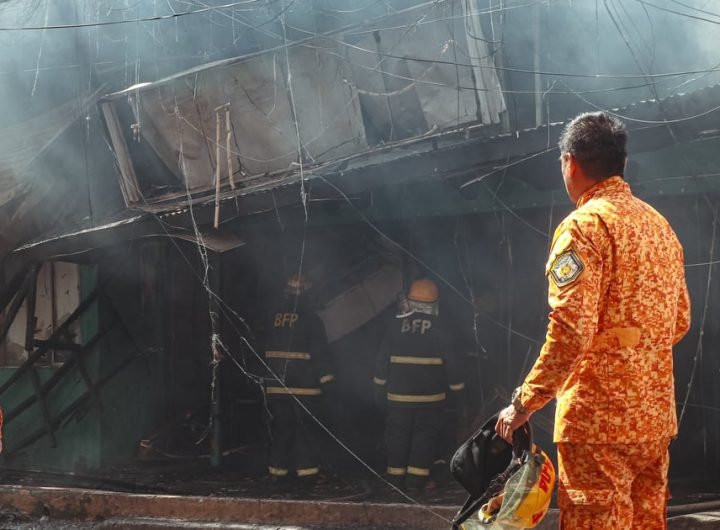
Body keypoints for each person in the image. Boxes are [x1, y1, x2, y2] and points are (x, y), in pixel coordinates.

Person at [495, 111, 691, 529]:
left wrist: (525, 402)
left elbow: (571, 329)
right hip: (654, 420)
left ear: (571, 162)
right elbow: (680, 322)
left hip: (598, 426)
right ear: (620, 162)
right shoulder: (660, 226)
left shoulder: (584, 227)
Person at [374, 278, 465, 491]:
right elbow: (453, 364)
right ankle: (415, 483)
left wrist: (379, 390)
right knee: (424, 437)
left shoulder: (395, 324)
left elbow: (381, 361)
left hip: (397, 397)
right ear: (434, 303)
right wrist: (458, 393)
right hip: (431, 399)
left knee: (397, 435)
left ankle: (395, 481)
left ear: (410, 300)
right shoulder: (442, 328)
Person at [261, 274, 335, 483]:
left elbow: (262, 346)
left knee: (281, 430)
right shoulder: (312, 320)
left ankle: (277, 473)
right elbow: (320, 354)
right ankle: (307, 475)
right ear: (307, 293)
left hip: (277, 386)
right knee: (305, 432)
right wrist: (329, 383)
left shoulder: (272, 317)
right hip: (305, 388)